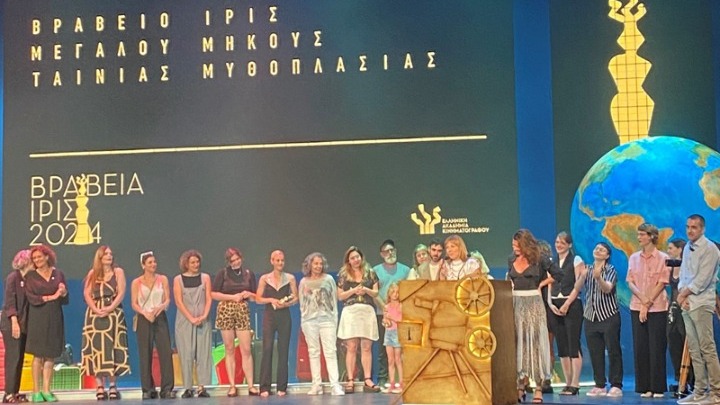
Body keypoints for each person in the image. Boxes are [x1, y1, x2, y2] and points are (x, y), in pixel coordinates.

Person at [676, 214, 720, 405]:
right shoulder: (687, 247)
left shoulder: (710, 249)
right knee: (694, 349)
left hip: (702, 303)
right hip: (688, 303)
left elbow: (703, 279)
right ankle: (700, 391)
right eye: (688, 227)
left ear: (702, 229)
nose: (690, 230)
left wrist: (684, 294)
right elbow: (683, 274)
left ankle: (716, 392)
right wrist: (682, 294)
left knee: (707, 348)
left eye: (694, 227)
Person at [506, 230, 553, 404]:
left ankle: (538, 387)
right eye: (513, 245)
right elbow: (510, 278)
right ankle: (520, 385)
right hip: (516, 304)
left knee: (535, 344)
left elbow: (558, 274)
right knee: (519, 344)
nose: (515, 248)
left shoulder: (539, 259)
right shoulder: (511, 259)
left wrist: (540, 285)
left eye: (518, 245)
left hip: (533, 304)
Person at [80, 246, 130, 400]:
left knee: (112, 347)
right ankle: (99, 386)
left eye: (110, 254)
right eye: (106, 254)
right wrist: (95, 309)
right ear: (100, 257)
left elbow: (121, 292)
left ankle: (113, 385)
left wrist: (110, 308)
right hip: (94, 316)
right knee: (96, 350)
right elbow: (87, 294)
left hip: (113, 314)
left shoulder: (118, 272)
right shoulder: (93, 273)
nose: (109, 256)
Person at [627, 223, 670, 398]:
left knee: (656, 347)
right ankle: (644, 386)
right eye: (638, 234)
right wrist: (642, 300)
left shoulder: (663, 258)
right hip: (636, 306)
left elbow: (662, 282)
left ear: (652, 236)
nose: (639, 237)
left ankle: (657, 387)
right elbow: (630, 281)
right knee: (641, 347)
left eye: (642, 234)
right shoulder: (633, 258)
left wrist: (647, 303)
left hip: (657, 308)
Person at [211, 248, 259, 397]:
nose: (236, 262)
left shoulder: (249, 274)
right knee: (229, 348)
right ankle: (232, 385)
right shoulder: (222, 274)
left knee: (246, 349)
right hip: (226, 310)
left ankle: (250, 385)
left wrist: (248, 294)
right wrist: (232, 297)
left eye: (238, 259)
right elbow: (213, 294)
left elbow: (255, 297)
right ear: (228, 262)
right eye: (233, 261)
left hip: (242, 311)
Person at [24, 245, 68, 403]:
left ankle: (46, 390)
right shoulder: (30, 276)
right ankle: (36, 391)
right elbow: (31, 298)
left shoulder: (58, 274)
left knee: (50, 355)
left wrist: (62, 292)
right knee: (38, 355)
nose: (37, 260)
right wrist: (51, 297)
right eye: (34, 258)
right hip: (38, 318)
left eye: (39, 257)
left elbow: (64, 298)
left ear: (47, 257)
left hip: (54, 317)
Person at [298, 252, 344, 396]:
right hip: (310, 321)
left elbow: (333, 301)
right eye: (315, 263)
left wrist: (334, 320)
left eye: (320, 263)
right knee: (313, 352)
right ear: (310, 265)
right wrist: (304, 321)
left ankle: (335, 385)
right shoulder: (303, 282)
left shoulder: (328, 279)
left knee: (330, 352)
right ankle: (316, 384)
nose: (318, 266)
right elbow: (302, 303)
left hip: (327, 320)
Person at [337, 246, 381, 394]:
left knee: (366, 347)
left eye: (357, 257)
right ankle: (350, 380)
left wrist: (366, 290)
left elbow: (376, 293)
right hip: (351, 312)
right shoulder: (343, 275)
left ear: (361, 258)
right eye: (352, 258)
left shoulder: (370, 272)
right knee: (351, 347)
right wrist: (354, 291)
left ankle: (367, 379)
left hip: (367, 311)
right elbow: (340, 296)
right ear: (348, 261)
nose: (356, 260)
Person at [131, 251, 174, 399]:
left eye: (154, 262)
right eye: (150, 262)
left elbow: (167, 299)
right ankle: (148, 389)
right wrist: (145, 313)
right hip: (144, 318)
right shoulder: (136, 282)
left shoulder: (162, 279)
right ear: (143, 265)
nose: (153, 264)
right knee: (145, 353)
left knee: (165, 352)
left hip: (159, 317)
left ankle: (167, 388)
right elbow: (134, 303)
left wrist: (160, 307)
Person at [256, 250, 298, 397]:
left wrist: (286, 304)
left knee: (283, 349)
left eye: (282, 260)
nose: (280, 263)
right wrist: (271, 300)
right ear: (272, 261)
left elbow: (296, 298)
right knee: (267, 349)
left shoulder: (290, 278)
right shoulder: (264, 278)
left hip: (284, 316)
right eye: (278, 260)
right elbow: (258, 299)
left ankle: (282, 386)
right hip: (269, 316)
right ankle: (264, 387)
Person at [584, 242, 623, 398]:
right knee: (595, 352)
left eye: (602, 249)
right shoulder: (587, 269)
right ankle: (599, 384)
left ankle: (616, 384)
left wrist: (598, 277)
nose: (598, 250)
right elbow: (579, 286)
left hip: (608, 315)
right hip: (590, 316)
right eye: (596, 248)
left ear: (607, 255)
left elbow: (607, 288)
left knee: (613, 350)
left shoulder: (611, 270)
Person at [548, 232, 585, 396]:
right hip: (555, 304)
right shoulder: (552, 262)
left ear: (569, 245)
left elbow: (578, 285)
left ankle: (575, 383)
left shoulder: (576, 260)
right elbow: (550, 283)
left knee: (573, 344)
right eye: (557, 242)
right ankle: (567, 382)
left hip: (572, 304)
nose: (559, 245)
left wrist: (567, 304)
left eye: (562, 242)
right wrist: (550, 303)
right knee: (562, 345)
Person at [173, 250, 212, 398]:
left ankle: (202, 387)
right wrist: (190, 318)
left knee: (203, 353)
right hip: (185, 321)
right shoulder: (178, 279)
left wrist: (204, 315)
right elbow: (178, 301)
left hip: (203, 319)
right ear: (186, 264)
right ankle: (188, 387)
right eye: (192, 262)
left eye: (197, 262)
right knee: (186, 353)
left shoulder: (205, 278)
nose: (196, 265)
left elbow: (208, 298)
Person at [372, 239, 411, 388]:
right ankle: (383, 379)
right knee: (384, 349)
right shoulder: (375, 270)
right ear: (381, 254)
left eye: (392, 250)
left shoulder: (406, 270)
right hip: (382, 314)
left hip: (401, 317)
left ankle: (403, 380)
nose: (390, 253)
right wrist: (385, 308)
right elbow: (375, 293)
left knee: (402, 349)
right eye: (386, 251)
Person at [1, 249, 33, 403]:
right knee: (13, 357)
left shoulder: (29, 280)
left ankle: (15, 391)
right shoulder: (13, 277)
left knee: (20, 357)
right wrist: (14, 322)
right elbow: (10, 302)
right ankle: (8, 393)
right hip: (11, 322)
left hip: (23, 323)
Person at [666, 238, 693, 395]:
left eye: (671, 248)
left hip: (686, 308)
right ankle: (680, 379)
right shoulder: (671, 266)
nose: (668, 251)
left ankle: (692, 381)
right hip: (673, 309)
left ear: (679, 249)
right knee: (673, 342)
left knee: (687, 343)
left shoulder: (687, 266)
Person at [381, 283, 403, 395]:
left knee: (398, 359)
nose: (395, 294)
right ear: (389, 294)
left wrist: (392, 318)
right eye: (393, 292)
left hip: (397, 333)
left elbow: (401, 321)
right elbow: (385, 321)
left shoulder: (401, 306)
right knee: (390, 360)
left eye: (397, 292)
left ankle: (402, 384)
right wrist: (385, 321)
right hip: (388, 333)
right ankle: (392, 383)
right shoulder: (386, 307)